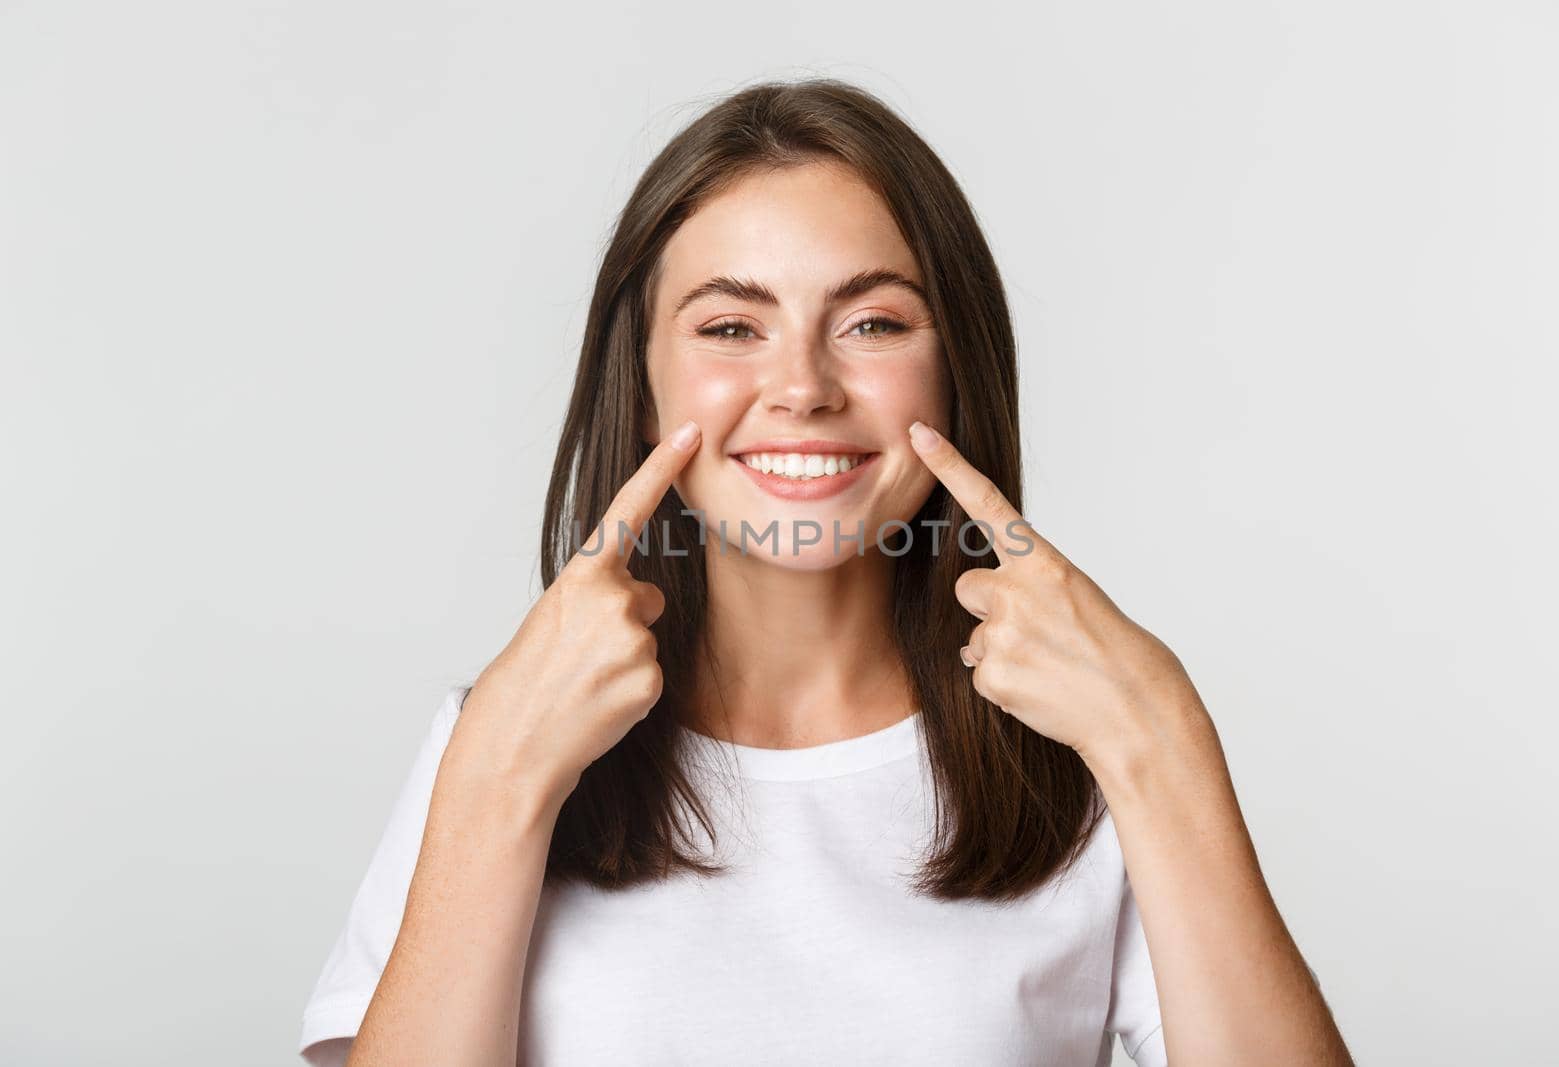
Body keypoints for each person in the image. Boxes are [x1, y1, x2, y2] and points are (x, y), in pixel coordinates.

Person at [298, 78, 1353, 1067]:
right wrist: (499, 784)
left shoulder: (1087, 758)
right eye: (729, 326)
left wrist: (1159, 742)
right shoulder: (495, 740)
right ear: (645, 378)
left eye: (871, 323)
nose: (800, 386)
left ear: (955, 365)